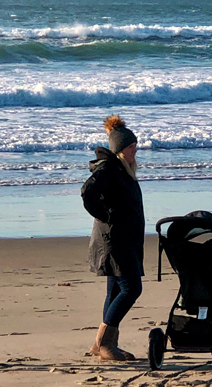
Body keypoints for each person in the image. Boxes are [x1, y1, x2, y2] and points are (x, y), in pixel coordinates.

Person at [81, 115, 145, 362]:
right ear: (120, 150)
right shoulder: (109, 168)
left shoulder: (121, 169)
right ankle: (104, 342)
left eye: (135, 146)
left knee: (116, 288)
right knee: (131, 288)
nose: (135, 151)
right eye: (131, 148)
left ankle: (105, 344)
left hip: (123, 240)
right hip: (114, 241)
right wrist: (105, 215)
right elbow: (88, 192)